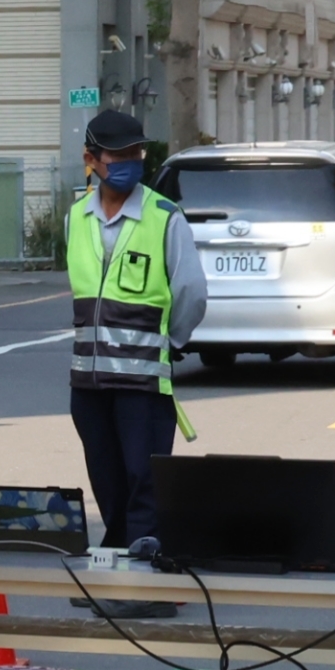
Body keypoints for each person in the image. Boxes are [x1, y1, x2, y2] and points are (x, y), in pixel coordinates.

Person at [63, 107, 205, 559]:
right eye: (117, 154)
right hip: (88, 384)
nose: (129, 161)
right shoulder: (77, 219)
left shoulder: (164, 218)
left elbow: (191, 293)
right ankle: (120, 564)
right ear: (91, 159)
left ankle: (144, 578)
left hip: (141, 385)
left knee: (144, 483)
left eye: (136, 152)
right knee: (108, 482)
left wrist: (171, 342)